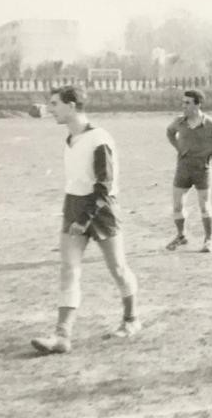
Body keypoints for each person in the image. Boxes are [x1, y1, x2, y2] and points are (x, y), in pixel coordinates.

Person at [31, 85, 140, 355]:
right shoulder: (70, 138)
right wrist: (75, 215)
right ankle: (62, 336)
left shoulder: (99, 139)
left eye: (55, 104)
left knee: (118, 268)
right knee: (69, 269)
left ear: (71, 105)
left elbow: (104, 184)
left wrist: (85, 218)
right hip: (73, 204)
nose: (51, 109)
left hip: (101, 209)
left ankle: (131, 319)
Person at [165, 89, 212, 253]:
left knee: (204, 205)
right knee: (177, 205)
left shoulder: (210, 123)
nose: (184, 106)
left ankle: (208, 240)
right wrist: (178, 147)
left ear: (198, 105)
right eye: (183, 103)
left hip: (202, 169)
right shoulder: (179, 122)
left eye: (187, 103)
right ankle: (181, 236)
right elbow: (169, 132)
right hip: (183, 168)